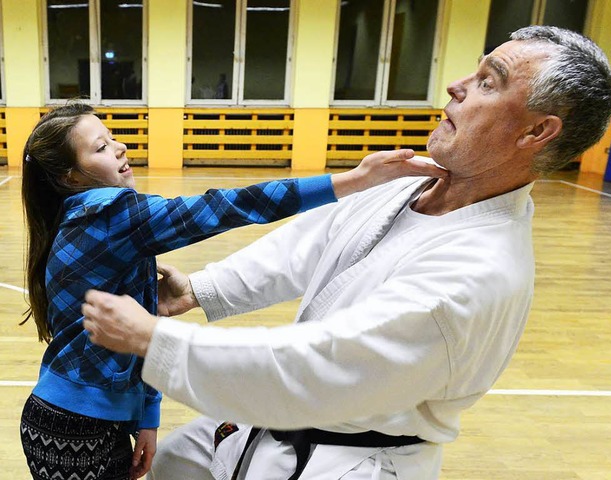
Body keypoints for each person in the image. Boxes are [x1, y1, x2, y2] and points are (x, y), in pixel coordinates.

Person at [82, 26, 611, 480]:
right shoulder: (413, 184)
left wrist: (155, 341)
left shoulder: (477, 273)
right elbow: (311, 243)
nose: (457, 86)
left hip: (352, 456)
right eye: (472, 71)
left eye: (487, 83)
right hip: (268, 428)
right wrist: (203, 289)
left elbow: (316, 365)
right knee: (177, 462)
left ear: (537, 131)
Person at [19, 102, 444, 480]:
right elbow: (226, 207)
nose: (119, 148)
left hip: (84, 417)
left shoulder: (92, 220)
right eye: (100, 148)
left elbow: (145, 329)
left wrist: (146, 418)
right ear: (70, 175)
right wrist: (350, 181)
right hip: (74, 426)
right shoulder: (111, 215)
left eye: (112, 138)